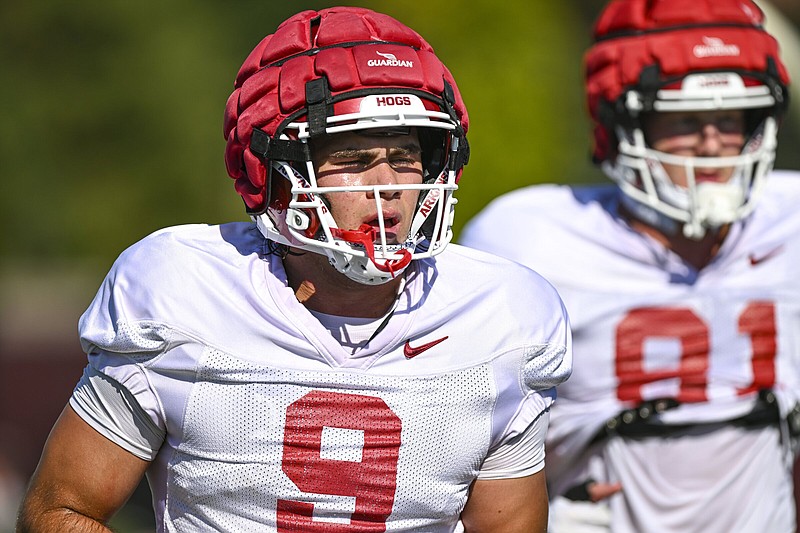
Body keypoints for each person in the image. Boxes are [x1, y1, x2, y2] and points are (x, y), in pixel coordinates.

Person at [15, 6, 572, 532]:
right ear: (272, 176)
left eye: (407, 155)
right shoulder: (180, 292)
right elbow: (60, 508)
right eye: (352, 160)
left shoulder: (504, 317)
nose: (390, 185)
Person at [460, 0, 800, 531]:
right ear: (619, 124)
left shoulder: (791, 222)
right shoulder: (529, 240)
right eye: (684, 120)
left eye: (731, 117)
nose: (712, 144)